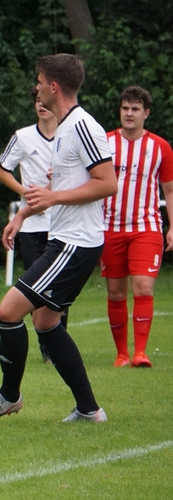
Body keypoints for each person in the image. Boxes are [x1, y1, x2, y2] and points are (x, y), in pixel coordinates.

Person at [0, 53, 116, 424]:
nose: (36, 89)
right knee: (46, 323)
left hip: (75, 243)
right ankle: (89, 410)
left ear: (53, 86)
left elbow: (107, 184)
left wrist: (53, 198)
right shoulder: (64, 128)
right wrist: (22, 215)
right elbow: (57, 186)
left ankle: (8, 397)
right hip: (64, 240)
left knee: (8, 312)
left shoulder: (82, 126)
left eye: (39, 82)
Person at [101, 85, 173, 368]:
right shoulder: (105, 143)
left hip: (147, 226)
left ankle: (140, 353)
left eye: (135, 109)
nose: (129, 114)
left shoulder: (160, 147)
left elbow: (169, 190)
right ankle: (121, 354)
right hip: (110, 227)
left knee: (143, 287)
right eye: (125, 108)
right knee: (116, 292)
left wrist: (172, 227)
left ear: (146, 113)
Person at [0, 88, 65, 362]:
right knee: (36, 286)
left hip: (62, 223)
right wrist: (26, 192)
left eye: (44, 101)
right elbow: (3, 170)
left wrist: (56, 184)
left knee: (59, 288)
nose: (41, 105)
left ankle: (57, 345)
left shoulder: (69, 135)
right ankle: (47, 347)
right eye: (37, 101)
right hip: (32, 225)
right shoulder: (23, 137)